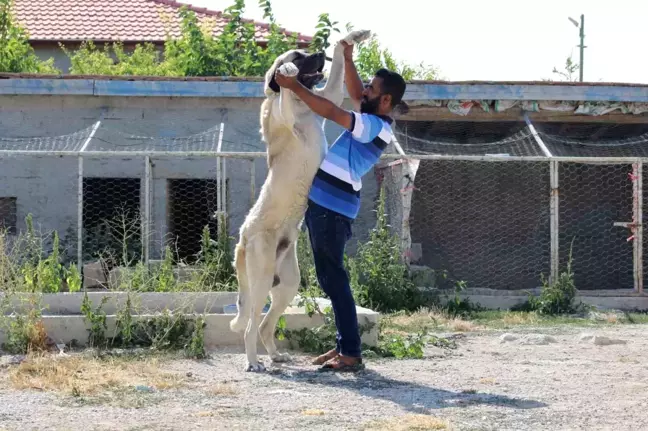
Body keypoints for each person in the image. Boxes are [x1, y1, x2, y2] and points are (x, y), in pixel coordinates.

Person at [275, 41, 406, 372]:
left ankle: (350, 352)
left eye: (372, 89)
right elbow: (353, 89)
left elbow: (331, 111)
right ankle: (344, 347)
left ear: (386, 99)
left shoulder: (375, 126)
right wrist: (347, 58)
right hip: (326, 208)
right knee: (331, 280)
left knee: (335, 280)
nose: (364, 90)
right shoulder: (371, 117)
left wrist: (292, 87)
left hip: (332, 210)